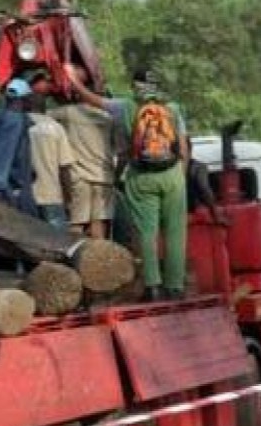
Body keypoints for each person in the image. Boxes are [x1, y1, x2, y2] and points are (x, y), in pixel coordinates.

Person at [65, 65, 189, 301]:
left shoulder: (124, 106)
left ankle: (153, 286)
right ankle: (175, 286)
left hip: (141, 176)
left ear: (135, 86)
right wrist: (179, 175)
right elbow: (183, 149)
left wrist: (73, 80)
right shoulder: (173, 109)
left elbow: (91, 99)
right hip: (172, 175)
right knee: (175, 232)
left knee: (146, 233)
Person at [49, 66, 118, 238]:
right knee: (99, 223)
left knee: (77, 222)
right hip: (104, 176)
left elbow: (40, 116)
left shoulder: (69, 112)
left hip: (80, 177)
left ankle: (75, 258)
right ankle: (99, 260)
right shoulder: (109, 118)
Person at [0, 78, 37, 216]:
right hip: (10, 194)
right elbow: (0, 157)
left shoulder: (15, 120)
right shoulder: (11, 121)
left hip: (18, 190)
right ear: (24, 98)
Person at [27, 74, 75, 229]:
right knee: (58, 245)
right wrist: (69, 197)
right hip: (51, 196)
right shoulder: (56, 128)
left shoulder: (20, 125)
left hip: (25, 196)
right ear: (45, 108)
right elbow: (65, 167)